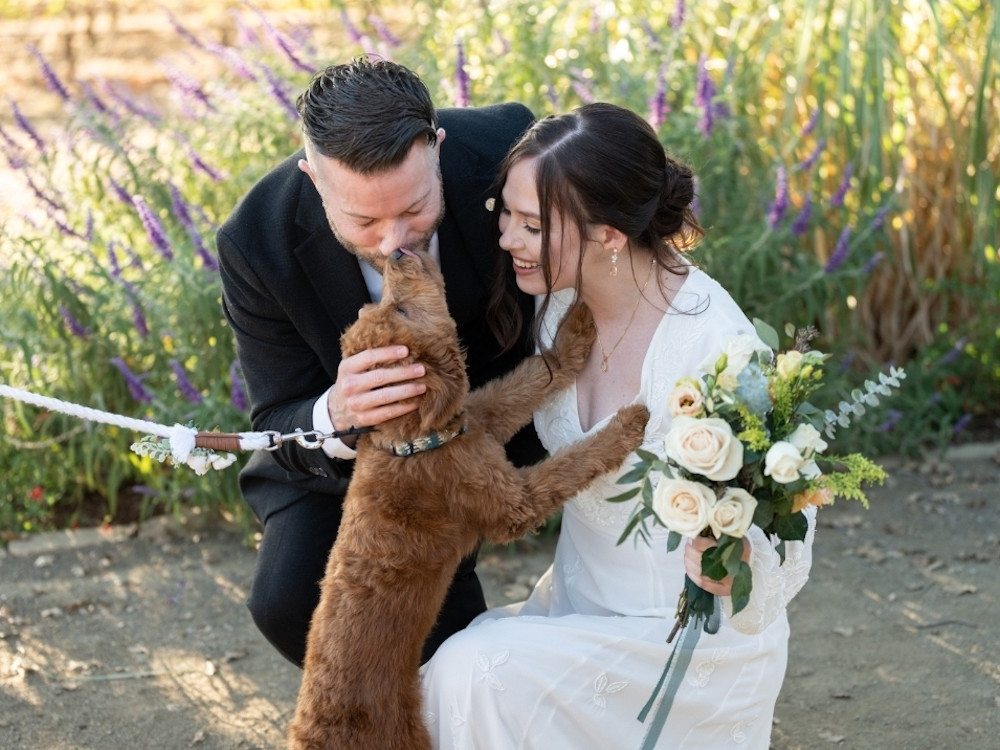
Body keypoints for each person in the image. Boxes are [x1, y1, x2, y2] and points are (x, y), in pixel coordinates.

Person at [420, 102, 817, 748]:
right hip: (580, 602)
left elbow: (788, 523)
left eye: (530, 225)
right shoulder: (555, 304)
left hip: (680, 639)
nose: (506, 240)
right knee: (460, 667)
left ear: (607, 234)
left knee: (473, 669)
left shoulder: (716, 347)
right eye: (507, 216)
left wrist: (736, 560)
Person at [216, 57, 543, 668]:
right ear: (313, 179)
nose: (395, 240)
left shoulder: (511, 149)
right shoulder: (255, 242)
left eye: (415, 208)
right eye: (364, 220)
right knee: (290, 601)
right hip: (354, 467)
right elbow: (278, 416)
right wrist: (335, 412)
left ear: (438, 148)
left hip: (514, 418)